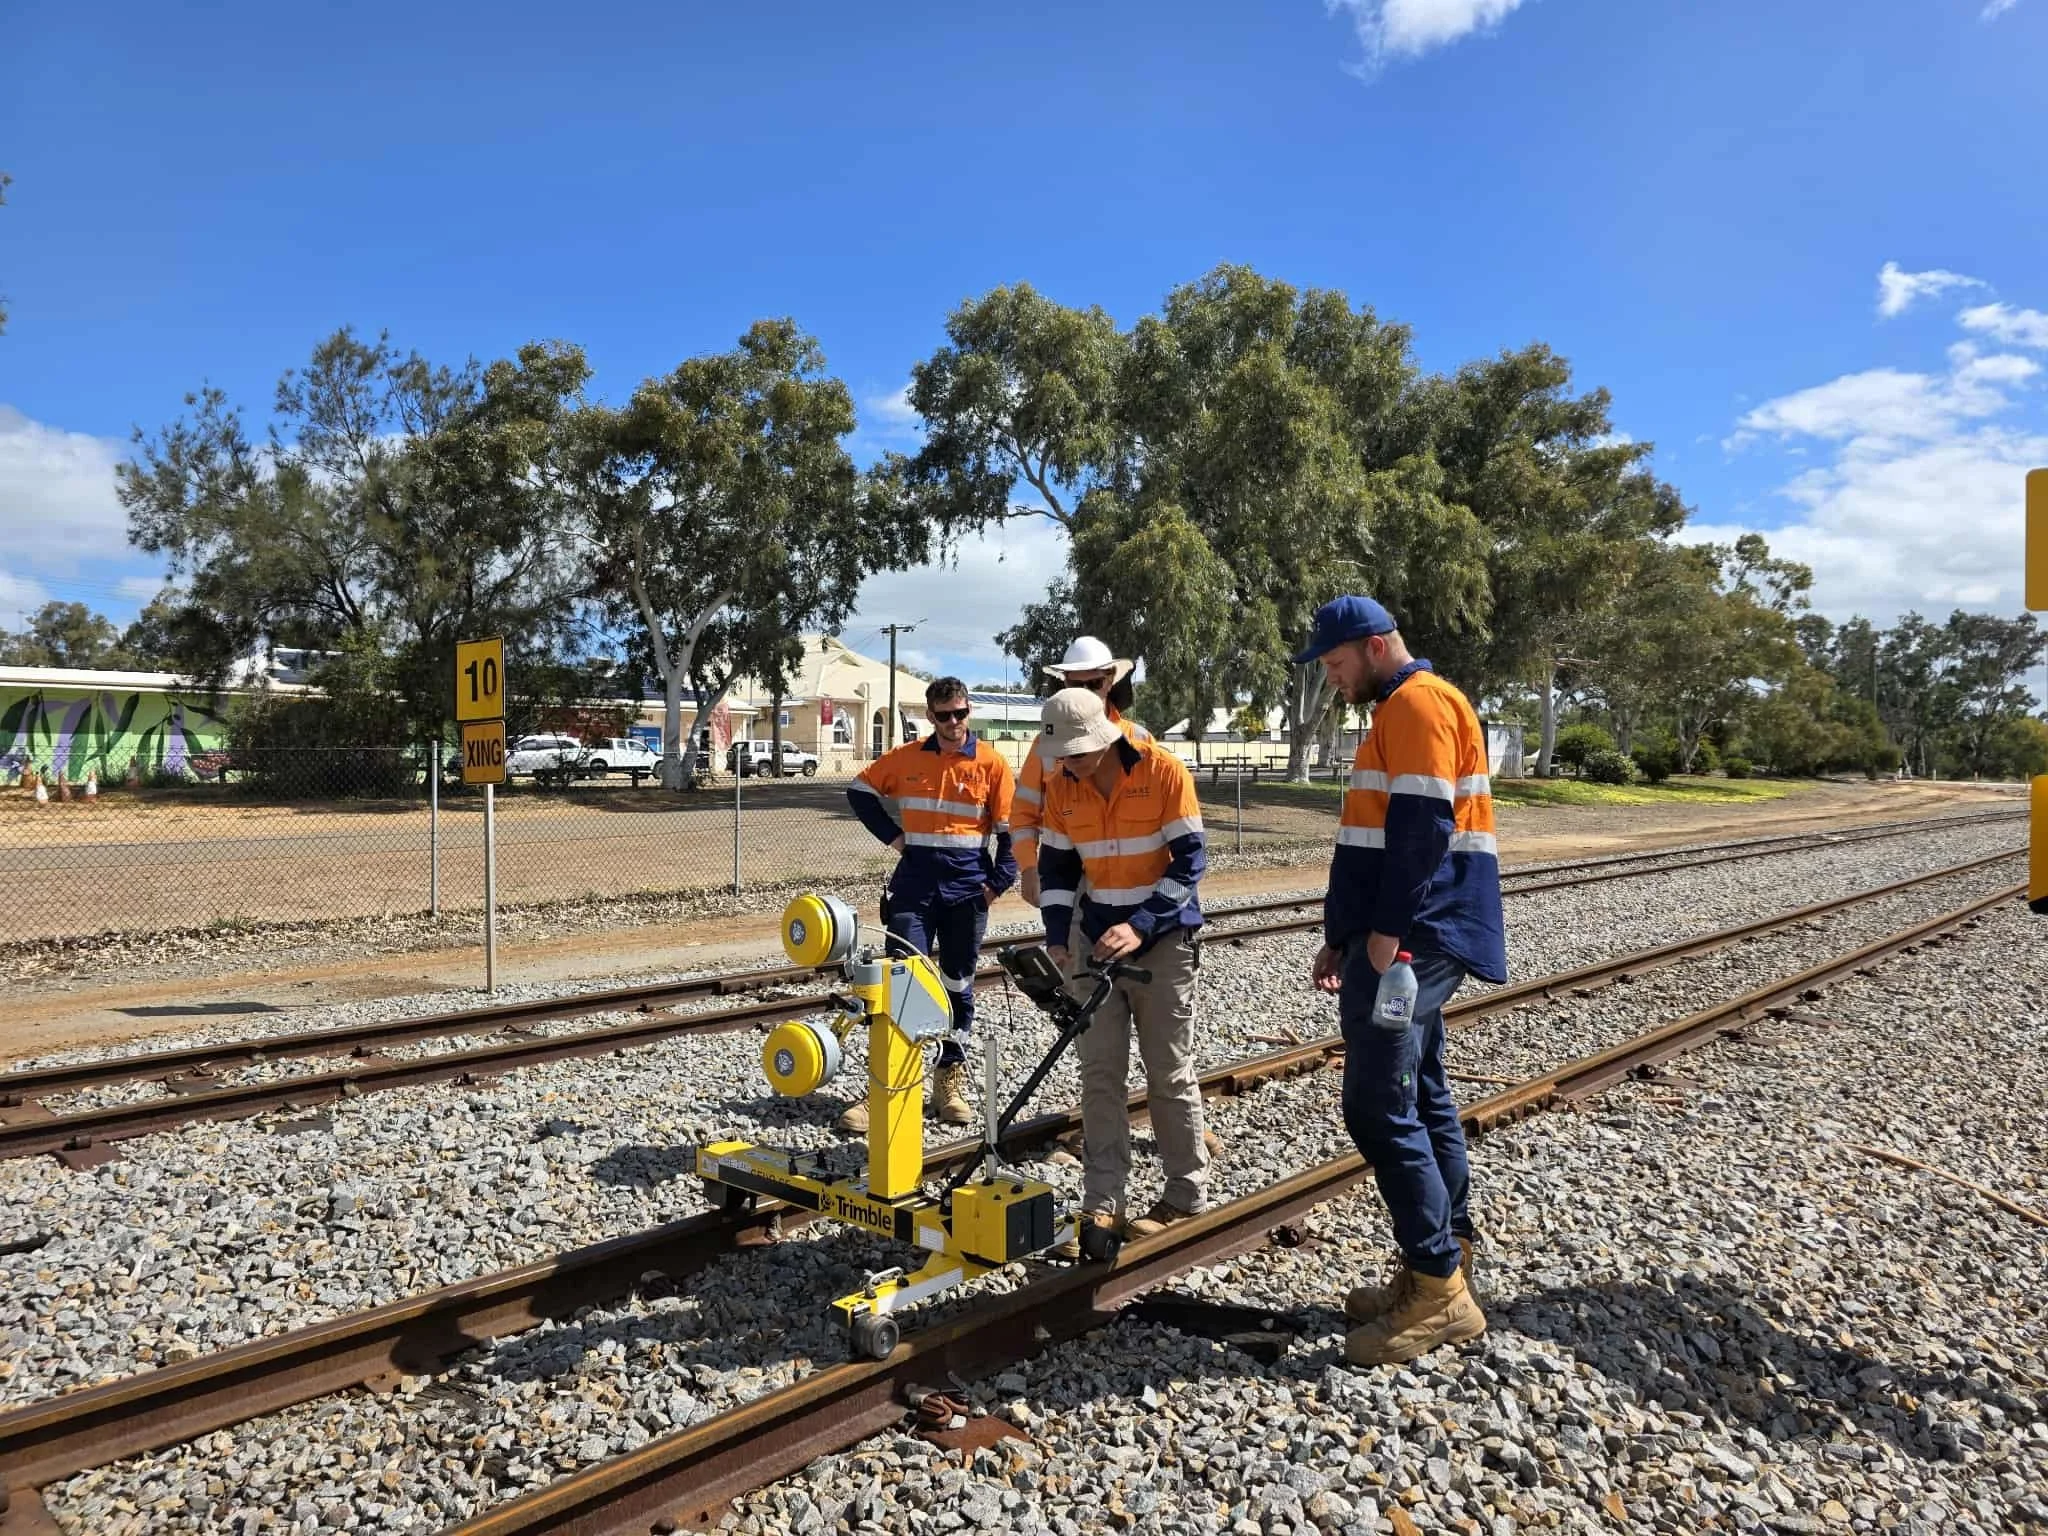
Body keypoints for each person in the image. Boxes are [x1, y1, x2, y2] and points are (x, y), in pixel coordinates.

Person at [1298, 594, 1507, 1367]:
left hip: (1416, 937)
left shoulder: (1418, 704)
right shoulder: (1405, 707)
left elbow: (1421, 832)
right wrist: (1343, 937)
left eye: (1336, 662)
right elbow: (1373, 836)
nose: (1332, 678)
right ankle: (1444, 1263)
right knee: (1422, 1096)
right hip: (1403, 935)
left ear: (1376, 644)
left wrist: (1382, 938)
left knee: (1378, 1108)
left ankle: (1437, 1292)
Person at [1035, 686, 1210, 1251]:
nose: (1072, 767)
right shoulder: (1062, 787)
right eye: (1064, 758)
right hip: (1094, 943)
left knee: (1168, 1071)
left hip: (1162, 942)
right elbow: (1058, 867)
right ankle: (1103, 1203)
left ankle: (1185, 1192)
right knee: (1100, 1076)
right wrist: (1059, 939)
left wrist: (1142, 924)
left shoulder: (1163, 773)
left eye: (1080, 756)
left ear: (1106, 739)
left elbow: (1192, 861)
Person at [845, 676, 1018, 1130]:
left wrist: (995, 885)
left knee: (957, 984)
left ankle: (949, 1083)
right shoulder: (905, 759)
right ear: (930, 716)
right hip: (915, 884)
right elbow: (859, 792)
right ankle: (887, 1088)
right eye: (945, 716)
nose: (954, 722)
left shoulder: (992, 763)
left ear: (969, 709)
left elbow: (1012, 834)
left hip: (967, 887)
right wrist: (896, 839)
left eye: (961, 713)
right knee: (900, 980)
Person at [1012, 636, 1151, 908]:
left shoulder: (1139, 738)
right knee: (1073, 950)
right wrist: (1029, 869)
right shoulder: (1046, 745)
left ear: (1110, 680)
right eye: (1077, 684)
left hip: (1135, 878)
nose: (1086, 692)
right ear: (1064, 683)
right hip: (1068, 878)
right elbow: (1023, 815)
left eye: (1095, 683)